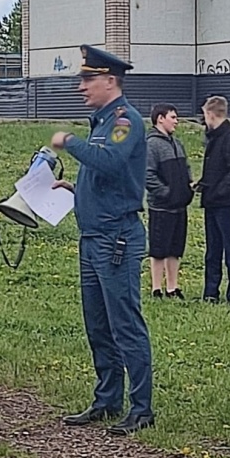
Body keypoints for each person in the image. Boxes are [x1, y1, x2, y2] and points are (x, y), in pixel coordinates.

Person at [49, 44, 155, 437]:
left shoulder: (124, 120)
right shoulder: (102, 120)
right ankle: (108, 398)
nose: (81, 86)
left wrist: (69, 142)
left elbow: (110, 160)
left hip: (116, 239)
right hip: (93, 237)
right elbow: (109, 177)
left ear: (110, 80)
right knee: (97, 324)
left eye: (88, 79)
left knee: (124, 322)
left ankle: (141, 408)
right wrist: (76, 188)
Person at [194, 95, 230, 305]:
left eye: (205, 115)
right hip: (213, 202)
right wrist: (203, 184)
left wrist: (217, 191)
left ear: (211, 114)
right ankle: (210, 292)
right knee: (212, 249)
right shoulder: (214, 137)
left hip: (227, 203)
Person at [145, 102, 194, 300]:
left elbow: (186, 168)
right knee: (159, 248)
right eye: (173, 117)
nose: (176, 121)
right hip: (161, 207)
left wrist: (187, 187)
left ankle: (173, 287)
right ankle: (156, 288)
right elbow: (147, 175)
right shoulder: (151, 145)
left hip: (179, 206)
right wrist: (165, 193)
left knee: (175, 248)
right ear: (160, 119)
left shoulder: (177, 143)